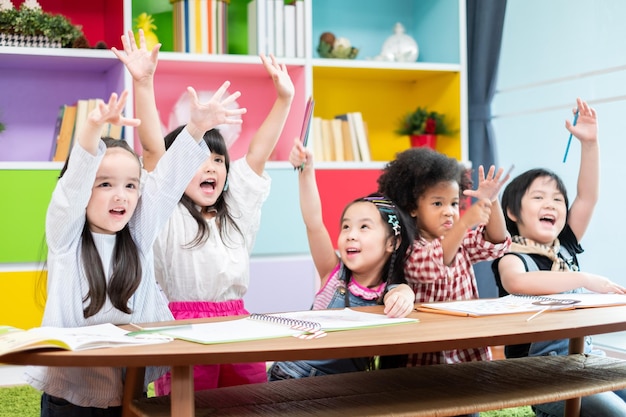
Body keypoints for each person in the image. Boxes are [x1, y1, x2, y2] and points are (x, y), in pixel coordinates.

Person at [26, 81, 225, 416]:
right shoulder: (65, 240)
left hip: (128, 394)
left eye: (131, 185)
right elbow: (71, 189)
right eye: (105, 184)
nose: (121, 195)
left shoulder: (138, 236)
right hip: (69, 398)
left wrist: (197, 128)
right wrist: (91, 130)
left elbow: (165, 184)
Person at [113, 30, 295, 394]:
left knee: (252, 402)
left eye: (218, 160)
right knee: (188, 405)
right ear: (178, 168)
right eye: (198, 160)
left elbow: (257, 154)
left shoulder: (236, 213)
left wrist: (284, 99)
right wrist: (144, 84)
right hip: (180, 327)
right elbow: (153, 151)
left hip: (239, 323)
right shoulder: (164, 214)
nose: (211, 167)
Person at [492, 97, 626, 417]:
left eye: (557, 199)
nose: (551, 204)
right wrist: (584, 279)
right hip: (542, 380)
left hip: (585, 363)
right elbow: (518, 281)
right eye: (538, 197)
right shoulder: (511, 256)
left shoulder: (564, 246)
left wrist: (590, 143)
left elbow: (588, 196)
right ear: (512, 211)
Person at [267, 138, 416, 380]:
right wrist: (306, 172)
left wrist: (403, 296)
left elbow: (403, 294)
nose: (350, 235)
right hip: (292, 375)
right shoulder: (333, 272)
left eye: (364, 227)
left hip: (344, 386)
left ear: (392, 243)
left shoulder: (387, 292)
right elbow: (314, 222)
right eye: (345, 227)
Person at [377, 147, 511, 364]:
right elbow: (434, 261)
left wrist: (492, 201)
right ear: (412, 207)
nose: (449, 211)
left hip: (467, 351)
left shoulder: (461, 241)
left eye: (454, 203)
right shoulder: (409, 247)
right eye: (437, 203)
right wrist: (465, 222)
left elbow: (495, 241)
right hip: (426, 355)